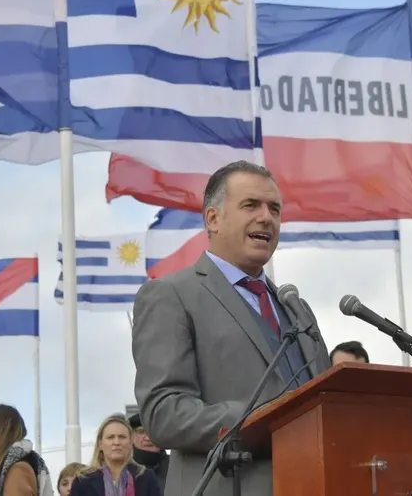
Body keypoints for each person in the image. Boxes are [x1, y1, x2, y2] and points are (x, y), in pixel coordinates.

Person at [131, 161, 331, 496]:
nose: (266, 217)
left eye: (275, 209)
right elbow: (164, 413)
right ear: (213, 219)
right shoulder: (170, 295)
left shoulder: (296, 308)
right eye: (251, 205)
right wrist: (267, 419)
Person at [69, 414, 161, 496]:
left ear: (130, 442)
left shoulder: (145, 477)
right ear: (100, 444)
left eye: (122, 437)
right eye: (110, 437)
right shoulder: (83, 480)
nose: (116, 442)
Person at [129, 412, 169, 489]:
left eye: (152, 432)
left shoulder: (175, 466)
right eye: (141, 432)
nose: (147, 438)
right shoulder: (121, 468)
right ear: (132, 437)